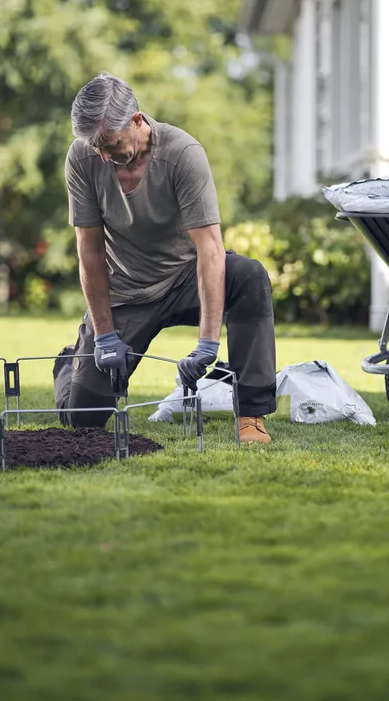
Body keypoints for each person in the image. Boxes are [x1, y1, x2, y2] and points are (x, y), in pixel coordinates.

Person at [52, 72, 277, 444]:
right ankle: (69, 362)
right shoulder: (82, 158)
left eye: (110, 144)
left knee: (249, 276)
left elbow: (210, 249)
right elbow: (89, 251)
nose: (103, 156)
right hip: (127, 290)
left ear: (137, 121)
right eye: (96, 148)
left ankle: (251, 416)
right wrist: (105, 336)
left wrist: (207, 344)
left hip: (186, 279)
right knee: (82, 420)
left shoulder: (182, 155)